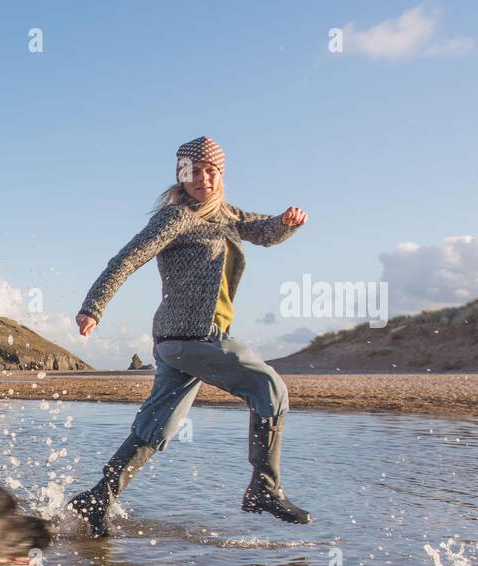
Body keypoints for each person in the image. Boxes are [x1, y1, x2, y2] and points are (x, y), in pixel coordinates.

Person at [70, 136, 312, 537]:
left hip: (184, 342)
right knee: (270, 388)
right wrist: (93, 306)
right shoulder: (174, 217)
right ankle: (264, 489)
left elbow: (264, 231)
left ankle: (98, 498)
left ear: (221, 175)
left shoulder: (226, 215)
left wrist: (286, 224)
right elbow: (128, 258)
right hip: (190, 338)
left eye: (210, 171)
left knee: (157, 425)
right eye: (193, 171)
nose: (202, 179)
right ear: (180, 175)